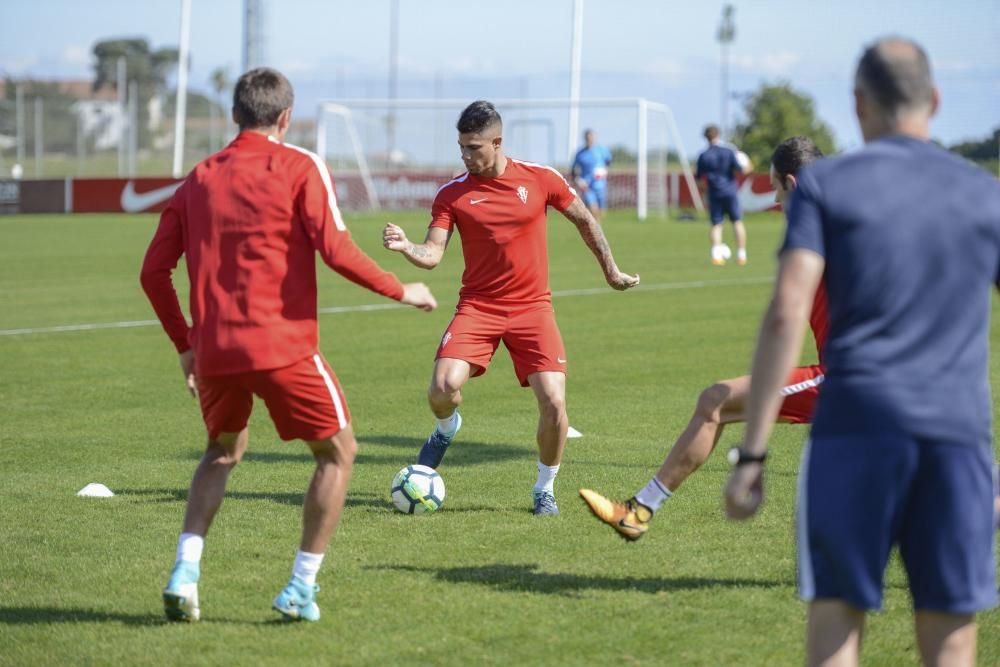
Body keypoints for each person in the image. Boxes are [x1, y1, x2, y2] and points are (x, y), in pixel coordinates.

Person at [724, 38, 998, 667]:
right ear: (934, 99)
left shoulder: (828, 189)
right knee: (951, 635)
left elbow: (787, 311)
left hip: (853, 429)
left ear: (857, 104)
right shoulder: (983, 193)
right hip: (955, 438)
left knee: (837, 623)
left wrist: (754, 456)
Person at [140, 67, 437, 623]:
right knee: (338, 453)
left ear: (234, 116)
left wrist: (186, 346)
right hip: (282, 347)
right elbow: (337, 249)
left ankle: (185, 570)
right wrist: (402, 288)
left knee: (222, 452)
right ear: (285, 118)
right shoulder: (300, 166)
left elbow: (153, 273)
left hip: (217, 353)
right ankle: (301, 587)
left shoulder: (199, 178)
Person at [382, 101, 639, 516]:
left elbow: (585, 220)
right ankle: (447, 429)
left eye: (474, 147)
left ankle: (544, 489)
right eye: (461, 147)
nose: (465, 156)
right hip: (478, 306)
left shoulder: (540, 178)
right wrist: (406, 246)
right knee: (442, 389)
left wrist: (611, 271)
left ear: (497, 142)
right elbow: (432, 253)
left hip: (532, 308)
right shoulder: (453, 193)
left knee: (554, 401)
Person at [579, 136, 826, 541]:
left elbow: (784, 322)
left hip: (855, 378)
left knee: (717, 400)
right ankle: (639, 510)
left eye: (777, 189)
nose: (777, 202)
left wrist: (752, 454)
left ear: (793, 184)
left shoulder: (816, 230)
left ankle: (639, 512)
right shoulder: (853, 221)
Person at [695, 124, 750, 265]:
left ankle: (716, 256)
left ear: (705, 137)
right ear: (718, 134)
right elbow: (742, 170)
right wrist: (749, 164)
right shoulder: (728, 151)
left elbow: (700, 180)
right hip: (730, 191)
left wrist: (705, 192)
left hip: (714, 192)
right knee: (737, 222)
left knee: (716, 224)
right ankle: (741, 255)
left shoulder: (703, 155)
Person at [571, 129, 613, 221]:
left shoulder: (602, 150)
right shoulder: (580, 153)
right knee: (592, 207)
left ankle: (597, 224)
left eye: (592, 138)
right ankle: (596, 226)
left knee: (601, 211)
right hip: (587, 185)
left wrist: (604, 170)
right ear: (585, 139)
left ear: (594, 138)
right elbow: (574, 169)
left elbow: (609, 161)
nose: (590, 140)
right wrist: (578, 180)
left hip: (600, 184)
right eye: (588, 138)